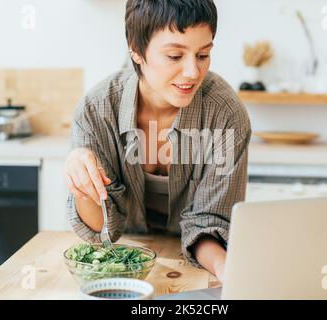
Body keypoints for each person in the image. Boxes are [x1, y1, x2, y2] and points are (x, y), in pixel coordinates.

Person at [63, 0, 251, 283]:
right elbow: (100, 232)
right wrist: (82, 185)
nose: (192, 72)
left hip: (196, 263)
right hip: (124, 262)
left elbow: (210, 224)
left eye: (203, 55)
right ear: (136, 52)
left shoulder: (225, 114)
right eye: (175, 56)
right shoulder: (96, 111)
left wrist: (227, 270)